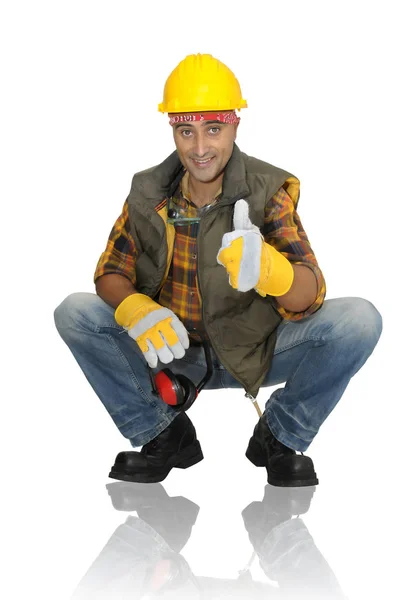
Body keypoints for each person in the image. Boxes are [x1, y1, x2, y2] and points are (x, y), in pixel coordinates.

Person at [54, 53, 382, 487]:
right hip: (172, 351)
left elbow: (311, 293)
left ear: (234, 125)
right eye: (186, 131)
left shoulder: (268, 191)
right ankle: (162, 433)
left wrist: (272, 271)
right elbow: (110, 271)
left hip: (259, 351)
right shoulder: (148, 192)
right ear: (173, 129)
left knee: (360, 320)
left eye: (213, 129)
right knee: (74, 312)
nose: (200, 147)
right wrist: (136, 307)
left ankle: (279, 436)